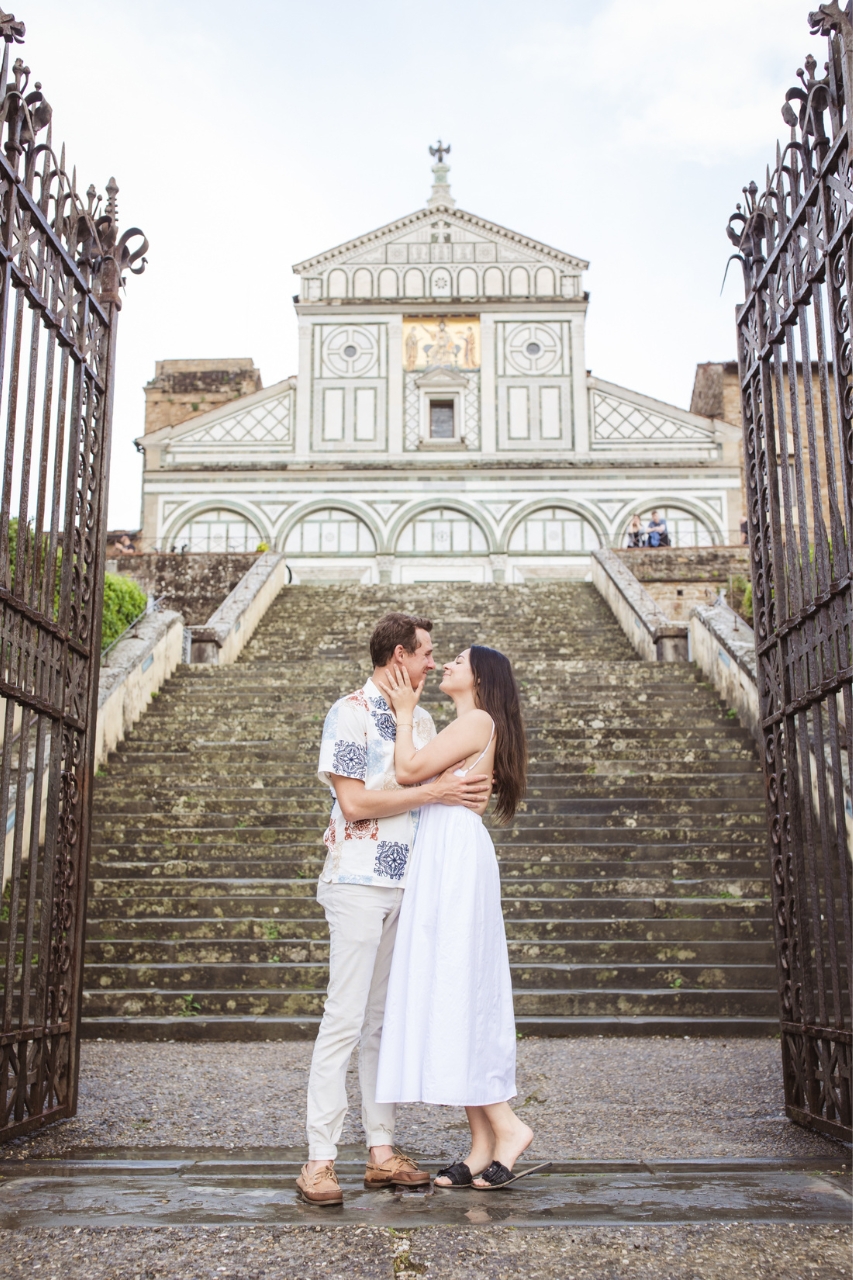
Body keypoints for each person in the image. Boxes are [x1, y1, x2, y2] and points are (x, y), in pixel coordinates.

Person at [297, 613, 492, 1207]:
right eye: (427, 653)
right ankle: (320, 1159)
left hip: (411, 884)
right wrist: (433, 791)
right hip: (357, 880)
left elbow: (450, 786)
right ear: (401, 654)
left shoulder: (425, 718)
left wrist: (469, 788)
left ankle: (381, 1151)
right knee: (345, 1017)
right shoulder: (348, 712)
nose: (433, 663)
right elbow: (354, 803)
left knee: (382, 1020)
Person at [374, 646, 550, 1191]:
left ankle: (508, 1125)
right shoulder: (472, 722)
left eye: (458, 659)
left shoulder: (476, 719)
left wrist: (404, 712)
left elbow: (407, 771)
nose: (447, 663)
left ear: (481, 677)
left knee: (457, 986)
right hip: (445, 847)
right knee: (454, 988)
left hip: (453, 856)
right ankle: (480, 1147)